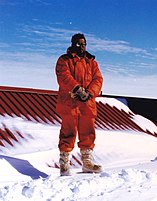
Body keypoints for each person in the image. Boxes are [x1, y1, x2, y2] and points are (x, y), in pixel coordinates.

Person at [55, 33, 103, 176]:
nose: (81, 47)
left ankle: (87, 162)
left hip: (87, 103)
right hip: (70, 102)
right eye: (78, 44)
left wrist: (89, 93)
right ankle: (64, 162)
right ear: (72, 44)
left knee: (88, 133)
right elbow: (63, 76)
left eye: (84, 44)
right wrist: (77, 89)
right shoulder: (64, 60)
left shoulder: (92, 62)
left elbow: (98, 79)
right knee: (68, 132)